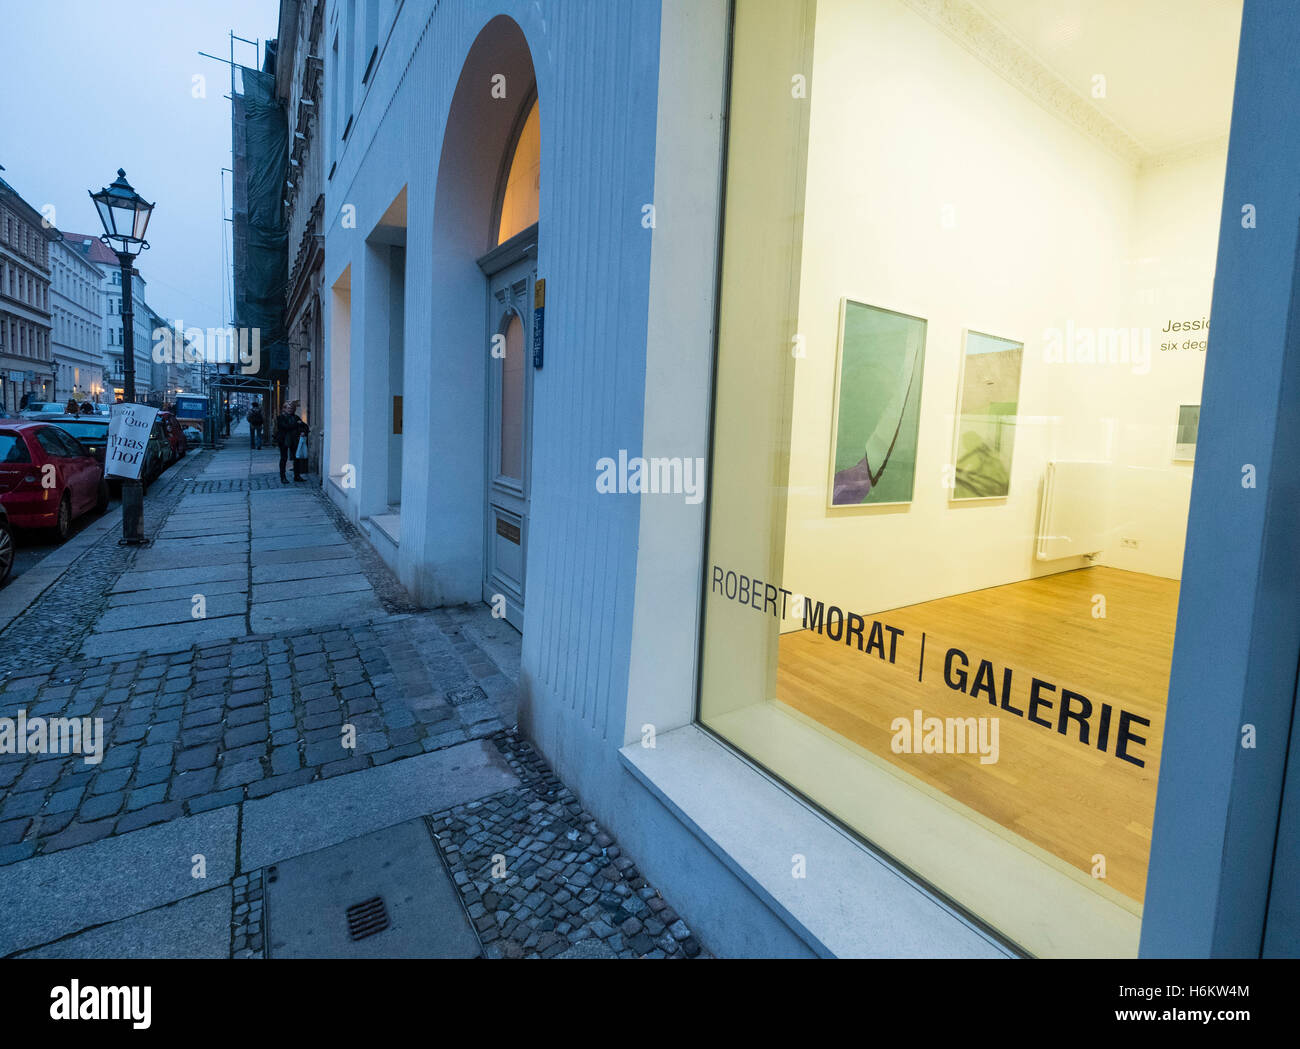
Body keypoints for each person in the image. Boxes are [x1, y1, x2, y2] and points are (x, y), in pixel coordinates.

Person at [275, 401, 306, 484]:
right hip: (284, 440)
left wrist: (303, 431)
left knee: (296, 458)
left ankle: (297, 476)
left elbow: (305, 427)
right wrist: (297, 424)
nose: (290, 410)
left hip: (294, 440)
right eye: (288, 408)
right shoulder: (280, 417)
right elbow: (285, 427)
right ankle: (283, 477)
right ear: (284, 408)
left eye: (292, 408)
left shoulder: (296, 417)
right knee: (284, 458)